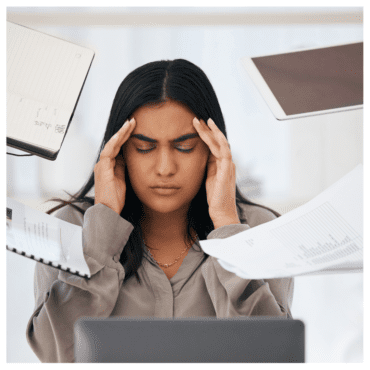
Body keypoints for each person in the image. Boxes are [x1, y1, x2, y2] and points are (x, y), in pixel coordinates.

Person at [26, 59, 294, 363]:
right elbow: (54, 355)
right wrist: (101, 234)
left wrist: (227, 229)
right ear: (119, 150)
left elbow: (276, 357)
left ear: (212, 148)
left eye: (184, 147)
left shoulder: (260, 229)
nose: (165, 168)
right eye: (144, 147)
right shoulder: (69, 229)